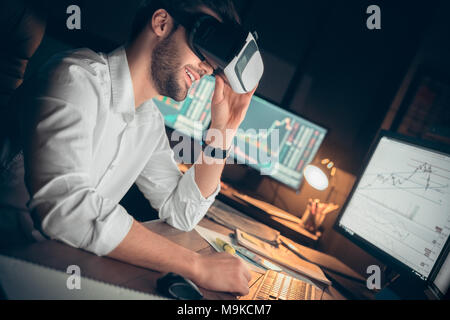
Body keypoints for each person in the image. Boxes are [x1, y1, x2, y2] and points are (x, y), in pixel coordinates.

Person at [13, 0, 257, 296]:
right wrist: (196, 266)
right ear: (162, 23)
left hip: (62, 270)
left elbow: (181, 212)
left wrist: (223, 130)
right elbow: (66, 207)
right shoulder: (75, 78)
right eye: (202, 46)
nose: (207, 68)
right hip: (13, 259)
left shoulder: (148, 122)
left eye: (213, 63)